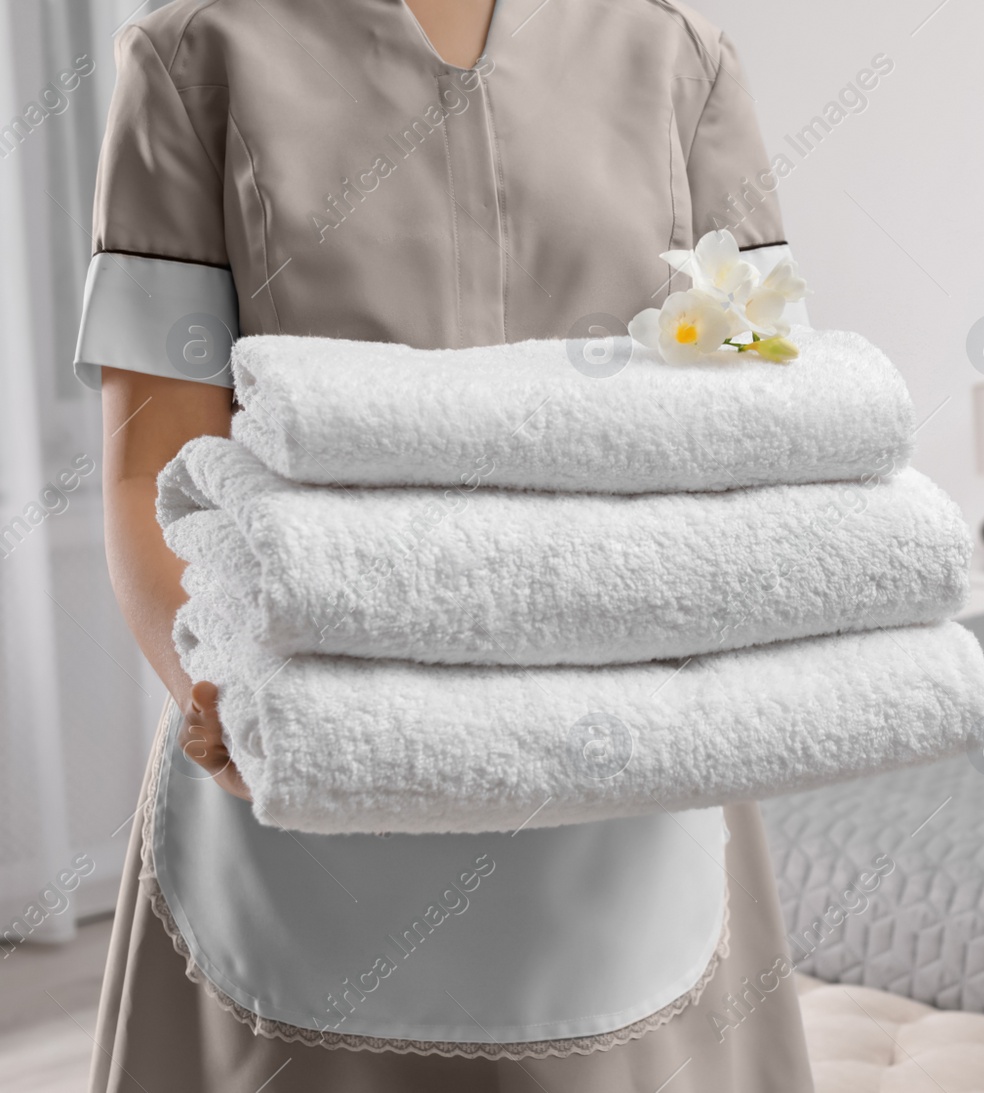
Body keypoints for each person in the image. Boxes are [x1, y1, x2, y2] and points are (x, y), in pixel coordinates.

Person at [75, 0, 814, 1088]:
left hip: (622, 780)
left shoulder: (676, 58)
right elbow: (154, 464)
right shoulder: (194, 53)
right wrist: (216, 681)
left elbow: (755, 408)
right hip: (301, 764)